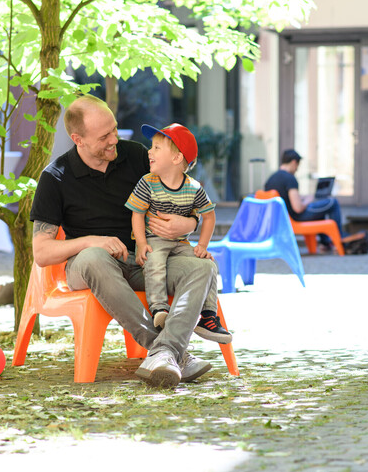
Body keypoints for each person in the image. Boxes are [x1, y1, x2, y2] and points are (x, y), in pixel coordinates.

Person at [30, 94, 218, 389]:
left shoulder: (135, 156)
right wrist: (92, 240)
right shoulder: (55, 178)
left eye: (114, 129)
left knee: (202, 269)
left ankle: (165, 354)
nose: (114, 140)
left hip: (147, 260)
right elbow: (41, 253)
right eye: (104, 136)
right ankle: (163, 349)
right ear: (77, 138)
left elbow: (181, 182)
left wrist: (191, 222)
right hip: (92, 267)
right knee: (94, 257)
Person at [125, 123, 231, 344]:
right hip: (154, 240)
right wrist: (141, 243)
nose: (149, 152)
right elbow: (137, 213)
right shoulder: (147, 183)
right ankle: (159, 309)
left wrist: (202, 246)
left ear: (176, 159)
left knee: (209, 264)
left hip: (180, 243)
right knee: (154, 262)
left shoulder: (193, 188)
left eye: (156, 148)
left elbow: (210, 216)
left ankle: (209, 316)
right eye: (151, 147)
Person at [264, 149, 366, 249]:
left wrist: (302, 199)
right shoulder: (290, 179)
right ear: (294, 162)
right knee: (332, 202)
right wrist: (308, 200)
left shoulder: (271, 179)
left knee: (319, 210)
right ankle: (340, 237)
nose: (297, 169)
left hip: (282, 218)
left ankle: (326, 242)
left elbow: (286, 198)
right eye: (297, 166)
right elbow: (298, 208)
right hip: (295, 219)